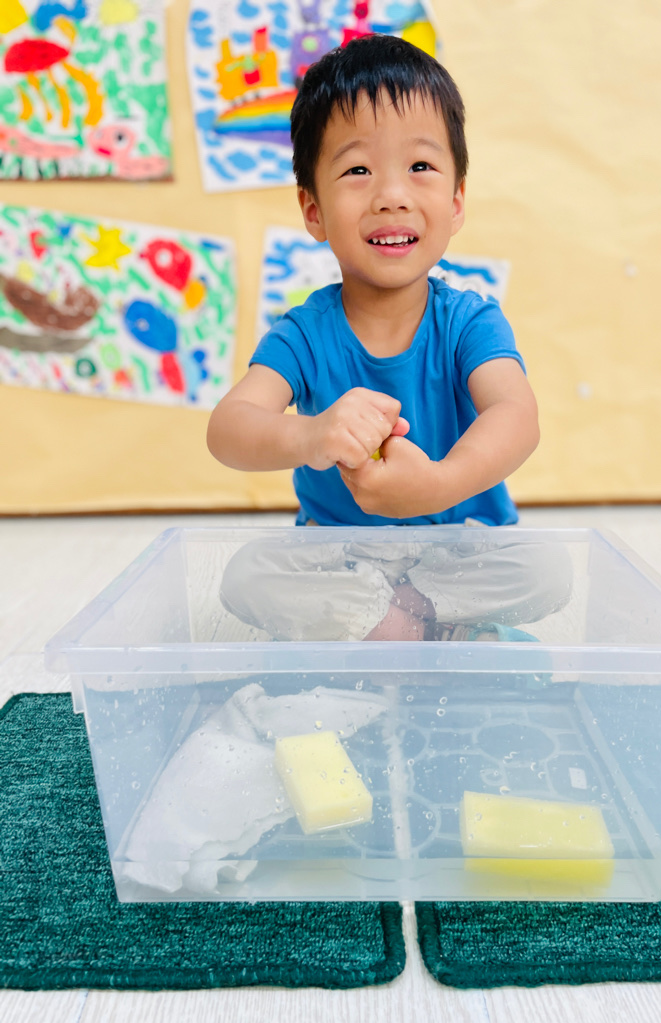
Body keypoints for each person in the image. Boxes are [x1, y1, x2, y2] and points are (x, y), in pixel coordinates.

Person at [208, 34, 571, 642]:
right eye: (357, 170)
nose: (392, 197)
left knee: (548, 569)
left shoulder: (470, 321)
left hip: (457, 553)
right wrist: (311, 435)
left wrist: (439, 484)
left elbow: (517, 415)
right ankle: (429, 635)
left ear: (456, 202)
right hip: (343, 559)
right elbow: (228, 428)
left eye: (420, 167)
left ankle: (392, 628)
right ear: (313, 210)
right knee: (247, 577)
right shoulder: (304, 332)